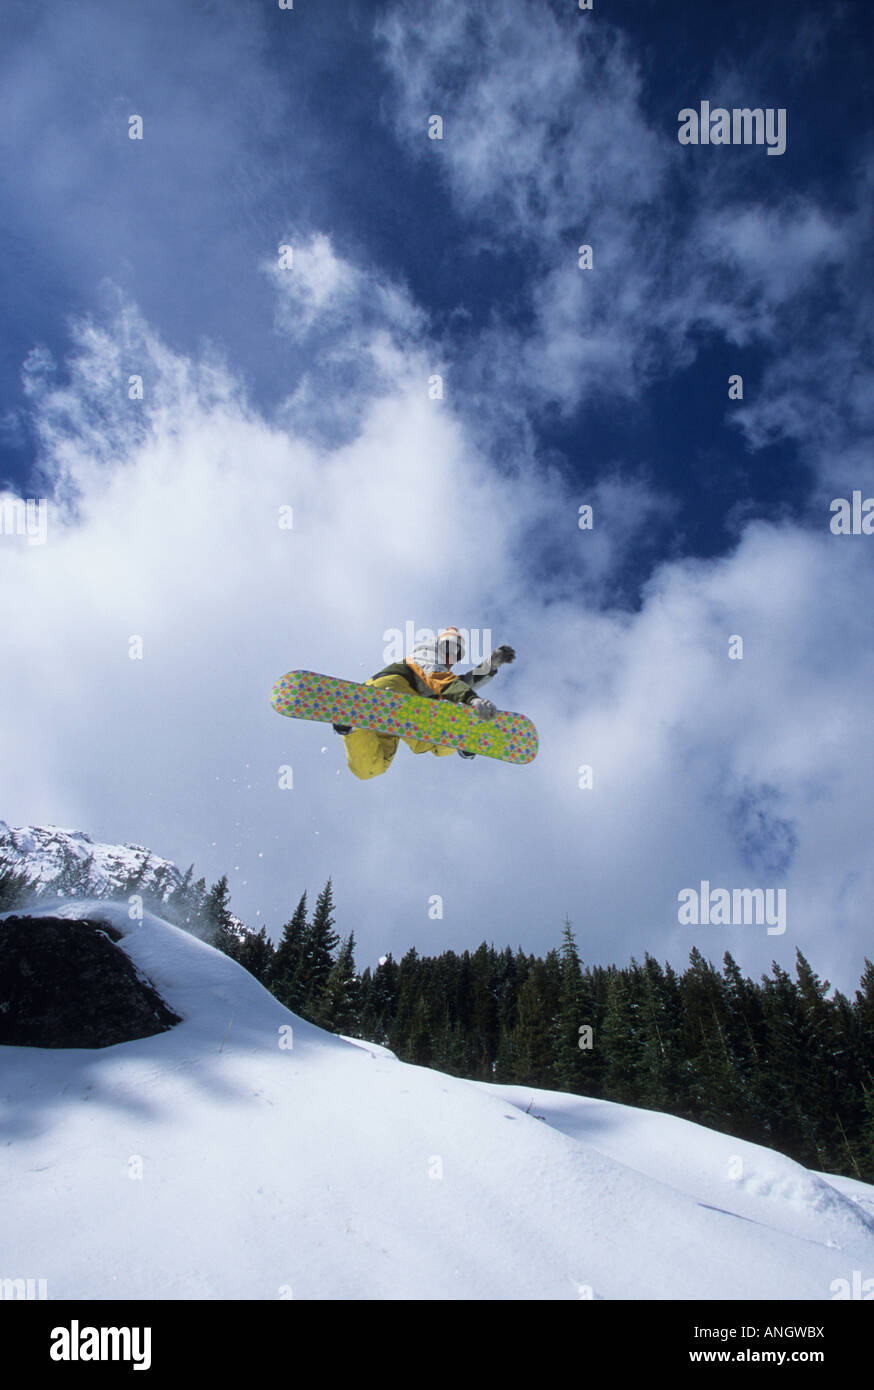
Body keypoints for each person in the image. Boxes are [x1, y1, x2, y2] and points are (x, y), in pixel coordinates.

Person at [334, 627, 516, 780]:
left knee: (371, 767)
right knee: (431, 740)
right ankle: (461, 736)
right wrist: (472, 700)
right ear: (438, 644)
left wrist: (492, 663)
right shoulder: (425, 654)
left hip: (380, 705)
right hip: (394, 689)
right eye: (448, 648)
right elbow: (441, 679)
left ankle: (351, 723)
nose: (450, 656)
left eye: (456, 654)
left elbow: (465, 682)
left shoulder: (442, 681)